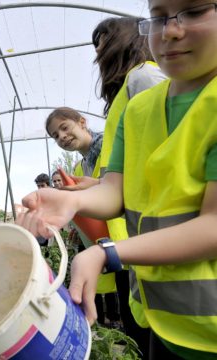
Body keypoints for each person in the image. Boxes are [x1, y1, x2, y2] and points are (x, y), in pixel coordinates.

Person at [18, 0, 217, 357]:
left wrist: (109, 253)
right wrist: (72, 200)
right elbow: (114, 191)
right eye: (158, 17)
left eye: (195, 10)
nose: (171, 29)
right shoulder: (139, 108)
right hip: (163, 315)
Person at [92, 16, 166, 355]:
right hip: (134, 227)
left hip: (157, 227)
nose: (98, 53)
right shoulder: (126, 91)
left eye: (103, 42)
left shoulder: (145, 77)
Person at [46, 107, 120, 329]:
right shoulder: (81, 165)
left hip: (127, 237)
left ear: (82, 122)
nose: (62, 137)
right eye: (55, 136)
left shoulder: (112, 145)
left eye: (65, 128)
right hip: (106, 241)